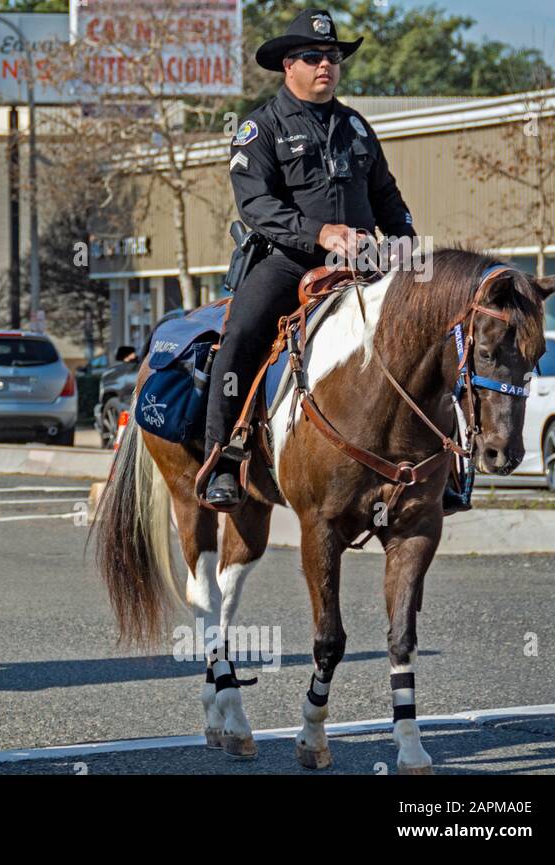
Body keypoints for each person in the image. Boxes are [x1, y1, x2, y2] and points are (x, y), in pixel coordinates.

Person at [202, 9, 416, 510]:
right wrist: (320, 233)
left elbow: (385, 193)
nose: (326, 64)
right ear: (287, 66)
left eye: (333, 56)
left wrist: (404, 235)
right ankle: (224, 461)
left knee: (429, 332)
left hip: (367, 263)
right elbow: (256, 206)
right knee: (241, 335)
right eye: (313, 56)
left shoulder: (356, 126)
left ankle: (440, 464)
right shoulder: (260, 128)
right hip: (290, 262)